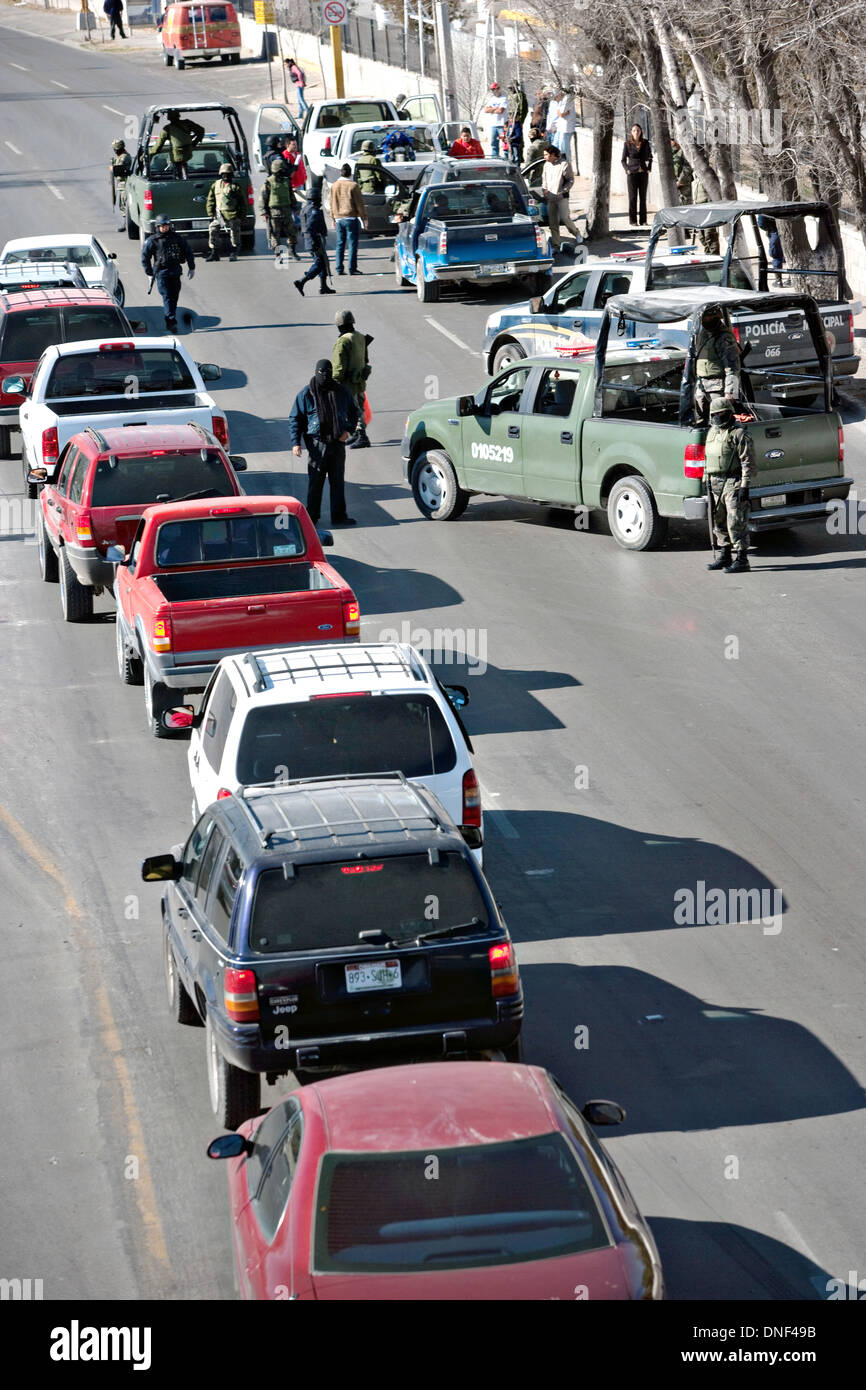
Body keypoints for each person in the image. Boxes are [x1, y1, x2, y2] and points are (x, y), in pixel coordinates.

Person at [289, 359, 360, 527]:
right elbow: (295, 418)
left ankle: (339, 516)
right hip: (317, 445)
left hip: (337, 443)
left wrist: (348, 430)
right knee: (316, 482)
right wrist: (296, 443)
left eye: (328, 371)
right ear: (316, 372)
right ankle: (312, 518)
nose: (325, 375)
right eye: (321, 372)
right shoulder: (307, 393)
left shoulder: (341, 391)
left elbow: (354, 412)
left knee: (337, 482)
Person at [704, 396, 756, 573]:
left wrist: (745, 486)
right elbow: (706, 457)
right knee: (718, 520)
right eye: (715, 414)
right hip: (714, 482)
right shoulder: (711, 432)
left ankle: (742, 559)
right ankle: (725, 555)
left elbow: (748, 462)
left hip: (733, 482)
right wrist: (706, 480)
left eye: (722, 413)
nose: (718, 416)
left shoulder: (738, 433)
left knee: (735, 520)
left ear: (729, 413)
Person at [141, 216, 194, 331]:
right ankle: (171, 321)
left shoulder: (176, 238)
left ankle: (171, 317)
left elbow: (188, 251)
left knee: (174, 296)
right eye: (162, 226)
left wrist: (191, 267)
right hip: (162, 273)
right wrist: (149, 273)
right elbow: (145, 257)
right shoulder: (152, 240)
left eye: (167, 226)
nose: (165, 228)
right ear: (158, 227)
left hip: (175, 272)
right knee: (167, 296)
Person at [693, 305, 742, 426]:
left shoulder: (724, 337)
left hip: (718, 387)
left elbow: (733, 368)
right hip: (701, 385)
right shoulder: (702, 333)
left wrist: (730, 393)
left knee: (718, 423)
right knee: (700, 422)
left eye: (710, 317)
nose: (707, 320)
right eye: (706, 318)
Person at [332, 309, 373, 450]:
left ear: (339, 325)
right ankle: (356, 433)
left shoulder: (343, 341)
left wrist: (334, 383)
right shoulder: (360, 337)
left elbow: (338, 366)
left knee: (354, 410)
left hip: (348, 383)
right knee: (359, 407)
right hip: (360, 380)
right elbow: (365, 359)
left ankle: (362, 437)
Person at [328, 163, 368, 276]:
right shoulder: (353, 185)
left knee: (340, 244)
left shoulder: (334, 185)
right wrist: (364, 218)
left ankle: (339, 268)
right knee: (352, 244)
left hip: (339, 219)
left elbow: (331, 203)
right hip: (351, 218)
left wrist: (332, 218)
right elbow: (359, 204)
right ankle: (352, 268)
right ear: (350, 174)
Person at [541, 143, 581, 254]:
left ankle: (576, 232)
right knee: (553, 223)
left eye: (546, 154)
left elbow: (570, 180)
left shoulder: (564, 164)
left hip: (562, 197)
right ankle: (556, 245)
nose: (544, 157)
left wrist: (563, 191)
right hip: (550, 197)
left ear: (553, 154)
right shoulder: (546, 165)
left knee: (565, 218)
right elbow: (544, 179)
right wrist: (544, 189)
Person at [294, 189, 335, 296]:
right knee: (319, 264)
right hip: (314, 240)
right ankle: (302, 281)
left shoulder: (305, 208)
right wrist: (315, 242)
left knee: (323, 262)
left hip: (311, 240)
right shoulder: (313, 210)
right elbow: (310, 227)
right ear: (316, 198)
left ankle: (324, 287)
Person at [259, 159, 299, 259]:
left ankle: (292, 251)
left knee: (292, 232)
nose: (284, 171)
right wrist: (264, 212)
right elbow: (263, 197)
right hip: (274, 213)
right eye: (282, 170)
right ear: (277, 170)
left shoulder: (286, 181)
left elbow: (291, 194)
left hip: (287, 211)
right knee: (274, 235)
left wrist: (295, 206)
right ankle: (278, 254)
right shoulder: (268, 182)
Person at [205, 163, 245, 262]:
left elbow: (242, 202)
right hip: (219, 214)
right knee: (213, 229)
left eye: (228, 174)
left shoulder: (235, 187)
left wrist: (242, 215)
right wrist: (210, 212)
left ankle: (234, 253)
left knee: (235, 235)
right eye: (224, 174)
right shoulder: (216, 185)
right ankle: (214, 253)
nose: (226, 176)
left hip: (233, 214)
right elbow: (211, 199)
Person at [152, 109, 205, 181]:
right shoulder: (187, 123)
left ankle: (180, 178)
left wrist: (146, 155)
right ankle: (184, 176)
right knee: (182, 168)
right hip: (187, 154)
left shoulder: (167, 129)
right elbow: (201, 130)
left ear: (169, 118)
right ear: (178, 115)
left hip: (176, 157)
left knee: (178, 174)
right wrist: (193, 144)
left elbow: (157, 148)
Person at [621, 123, 653, 226]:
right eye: (634, 130)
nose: (636, 132)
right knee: (633, 198)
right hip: (632, 174)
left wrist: (649, 168)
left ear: (641, 131)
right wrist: (627, 170)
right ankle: (633, 221)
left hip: (643, 173)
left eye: (638, 130)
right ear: (631, 132)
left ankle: (643, 220)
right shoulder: (627, 144)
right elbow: (623, 160)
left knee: (643, 198)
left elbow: (650, 156)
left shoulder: (646, 143)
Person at [109, 138, 132, 231]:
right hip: (121, 184)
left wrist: (112, 168)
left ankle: (127, 224)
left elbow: (120, 170)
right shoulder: (121, 156)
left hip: (124, 183)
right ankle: (126, 223)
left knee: (124, 205)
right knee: (122, 205)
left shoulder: (124, 157)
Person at [694, 177, 720, 253]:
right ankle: (708, 256)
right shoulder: (698, 178)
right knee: (701, 237)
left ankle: (714, 257)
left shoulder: (707, 176)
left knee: (710, 235)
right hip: (699, 209)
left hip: (708, 209)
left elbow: (714, 193)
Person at [757, 213, 784, 286]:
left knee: (776, 256)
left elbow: (761, 223)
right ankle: (791, 278)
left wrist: (768, 229)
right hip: (785, 231)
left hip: (774, 231)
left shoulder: (765, 206)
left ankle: (778, 280)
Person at [484, 82, 507, 159]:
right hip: (493, 125)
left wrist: (492, 109)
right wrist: (495, 108)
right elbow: (486, 110)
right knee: (494, 143)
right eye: (492, 90)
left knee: (504, 142)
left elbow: (500, 111)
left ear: (499, 89)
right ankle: (495, 158)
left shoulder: (503, 98)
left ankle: (506, 158)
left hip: (501, 125)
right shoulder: (492, 99)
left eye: (495, 89)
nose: (494, 91)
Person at [670, 138, 693, 205]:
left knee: (685, 204)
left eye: (672, 139)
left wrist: (680, 181)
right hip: (673, 183)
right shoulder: (669, 153)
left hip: (684, 183)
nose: (671, 142)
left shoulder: (683, 151)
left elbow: (688, 167)